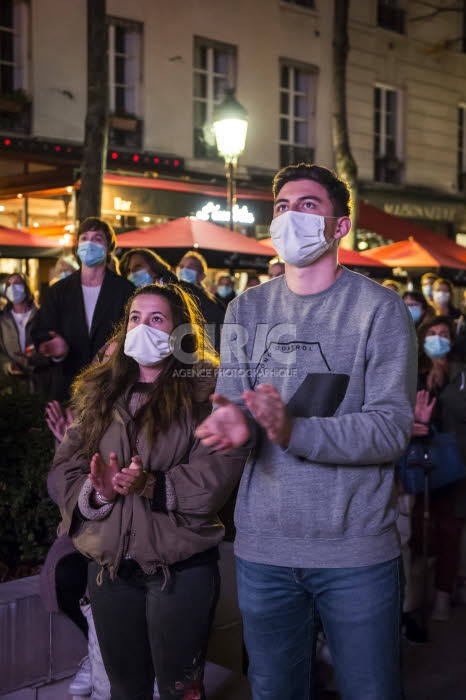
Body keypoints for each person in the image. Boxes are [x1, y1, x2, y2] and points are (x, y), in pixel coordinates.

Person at [196, 163, 417, 700]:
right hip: (263, 550)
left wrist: (295, 431)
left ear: (340, 227)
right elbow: (237, 405)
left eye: (308, 206)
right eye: (280, 207)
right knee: (274, 690)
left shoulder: (379, 310)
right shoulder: (246, 310)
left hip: (356, 551)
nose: (289, 217)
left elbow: (390, 429)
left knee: (371, 690)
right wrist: (234, 425)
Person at [52, 283, 245, 700]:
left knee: (180, 689)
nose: (143, 328)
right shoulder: (99, 391)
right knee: (125, 688)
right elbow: (64, 469)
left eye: (157, 319)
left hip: (180, 570)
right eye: (136, 318)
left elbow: (217, 474)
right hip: (110, 569)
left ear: (180, 333)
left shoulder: (208, 392)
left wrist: (152, 485)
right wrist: (98, 495)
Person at [30, 217, 134, 400]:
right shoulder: (58, 291)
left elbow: (134, 335)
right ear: (77, 246)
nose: (89, 244)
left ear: (109, 248)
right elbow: (41, 331)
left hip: (112, 387)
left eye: (97, 239)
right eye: (84, 238)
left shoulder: (125, 290)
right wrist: (56, 352)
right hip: (67, 387)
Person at [409, 315, 466, 622]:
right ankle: (419, 592)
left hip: (454, 463)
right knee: (418, 527)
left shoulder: (460, 374)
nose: (438, 339)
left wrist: (443, 383)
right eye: (432, 333)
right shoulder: (410, 372)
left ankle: (444, 594)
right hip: (418, 461)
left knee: (449, 528)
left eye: (444, 334)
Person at [0, 272, 54, 394]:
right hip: (13, 388)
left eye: (17, 283)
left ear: (26, 286)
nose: (13, 288)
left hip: (41, 385)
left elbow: (52, 349)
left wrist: (34, 360)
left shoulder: (42, 315)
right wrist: (8, 366)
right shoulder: (3, 320)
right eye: (9, 285)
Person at [176, 250, 225, 350]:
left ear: (202, 275)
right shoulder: (173, 296)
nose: (184, 269)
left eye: (190, 266)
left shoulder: (210, 303)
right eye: (181, 266)